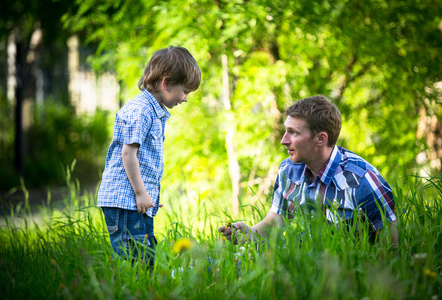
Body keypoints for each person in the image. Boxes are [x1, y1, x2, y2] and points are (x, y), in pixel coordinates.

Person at [219, 94, 398, 245]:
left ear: (320, 139)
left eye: (293, 132)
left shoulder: (361, 180)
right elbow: (275, 223)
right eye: (285, 131)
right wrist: (248, 233)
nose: (283, 140)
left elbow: (394, 247)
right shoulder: (288, 171)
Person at [97, 46, 201, 268]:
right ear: (165, 84)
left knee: (147, 256)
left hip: (134, 201)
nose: (185, 99)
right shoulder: (141, 111)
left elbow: (142, 160)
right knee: (136, 261)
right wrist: (141, 193)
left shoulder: (152, 110)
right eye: (185, 91)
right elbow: (128, 154)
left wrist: (148, 195)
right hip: (125, 202)